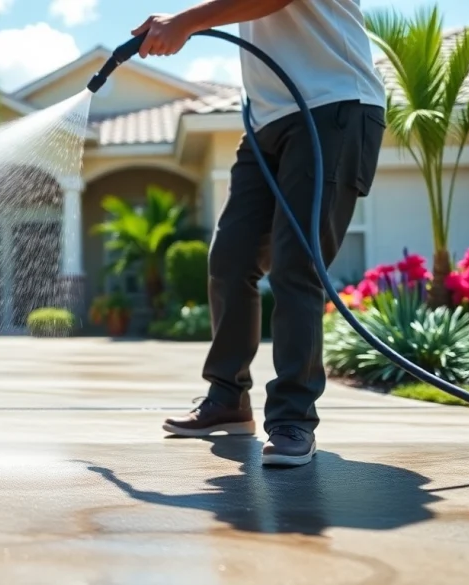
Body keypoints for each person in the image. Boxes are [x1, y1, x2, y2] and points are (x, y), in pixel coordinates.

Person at [133, 0, 387, 466]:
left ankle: (292, 418)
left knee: (296, 265)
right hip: (268, 121)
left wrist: (185, 22)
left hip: (333, 106)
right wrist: (180, 22)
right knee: (230, 259)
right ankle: (227, 397)